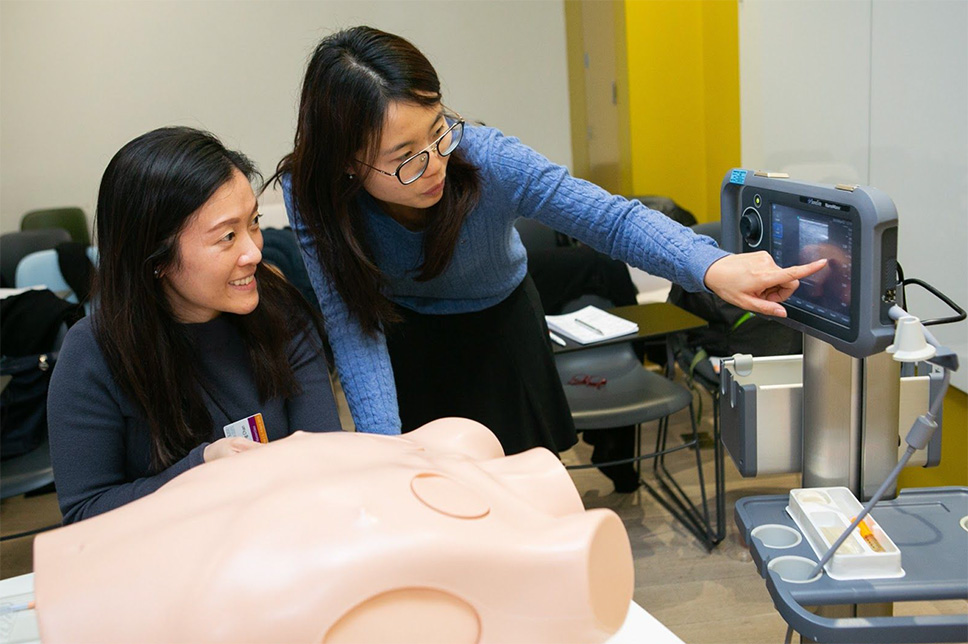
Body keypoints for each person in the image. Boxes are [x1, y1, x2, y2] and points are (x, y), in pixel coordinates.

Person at [277, 26, 825, 459]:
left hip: (498, 326)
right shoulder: (312, 194)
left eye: (439, 129)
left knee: (522, 490)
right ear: (347, 163)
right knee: (427, 485)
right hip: (405, 336)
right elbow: (351, 324)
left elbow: (612, 220)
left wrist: (713, 267)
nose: (436, 162)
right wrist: (383, 452)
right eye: (405, 158)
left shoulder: (488, 158)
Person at [48, 127, 342, 524]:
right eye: (227, 236)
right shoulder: (93, 354)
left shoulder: (282, 313)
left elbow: (324, 459)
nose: (254, 252)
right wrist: (200, 471)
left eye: (253, 222)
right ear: (157, 260)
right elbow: (85, 514)